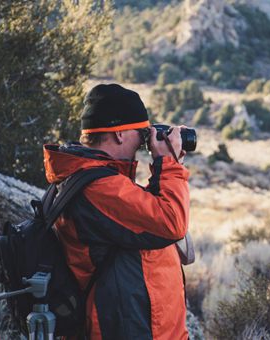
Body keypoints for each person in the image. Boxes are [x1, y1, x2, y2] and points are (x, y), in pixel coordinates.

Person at [43, 83, 190, 339]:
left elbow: (139, 214)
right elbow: (170, 222)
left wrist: (162, 170)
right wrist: (168, 164)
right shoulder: (98, 186)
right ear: (120, 134)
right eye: (142, 133)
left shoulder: (98, 179)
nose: (145, 142)